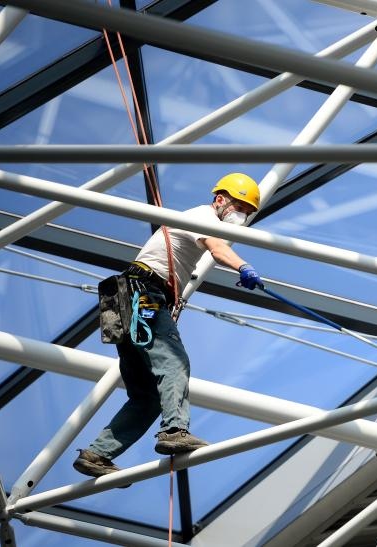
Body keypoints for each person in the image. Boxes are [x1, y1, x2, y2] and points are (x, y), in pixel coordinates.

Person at [73, 173, 264, 478]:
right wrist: (243, 266)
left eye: (247, 212)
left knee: (147, 398)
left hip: (121, 300)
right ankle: (175, 431)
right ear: (219, 200)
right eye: (239, 207)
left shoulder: (192, 222)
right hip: (142, 293)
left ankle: (98, 454)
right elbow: (216, 248)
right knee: (174, 363)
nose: (241, 216)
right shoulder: (203, 216)